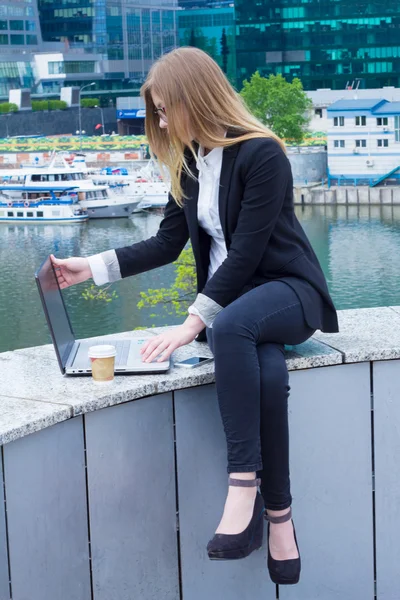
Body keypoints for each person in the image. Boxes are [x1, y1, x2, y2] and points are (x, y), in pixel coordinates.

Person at [51, 47, 338, 585]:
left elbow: (249, 253)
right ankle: (279, 519)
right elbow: (166, 244)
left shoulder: (262, 154)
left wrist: (192, 323)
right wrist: (88, 267)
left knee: (230, 326)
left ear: (195, 98)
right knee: (269, 375)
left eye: (164, 109)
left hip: (287, 291)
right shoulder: (189, 160)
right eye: (156, 112)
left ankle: (242, 487)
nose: (160, 121)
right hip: (238, 310)